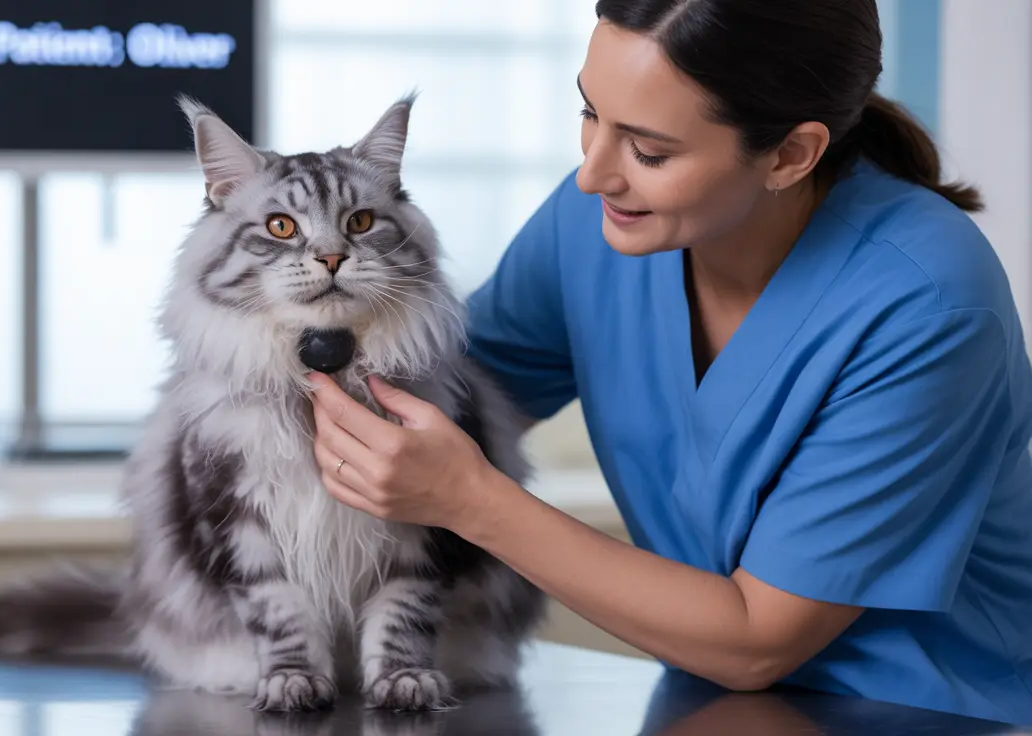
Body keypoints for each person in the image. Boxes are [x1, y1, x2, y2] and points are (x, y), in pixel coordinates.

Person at [305, 0, 1032, 726]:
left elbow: (756, 642)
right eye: (590, 114)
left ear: (789, 154)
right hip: (705, 702)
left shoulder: (927, 303)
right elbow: (441, 394)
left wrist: (468, 498)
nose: (592, 175)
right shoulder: (597, 223)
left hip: (929, 711)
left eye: (649, 151)